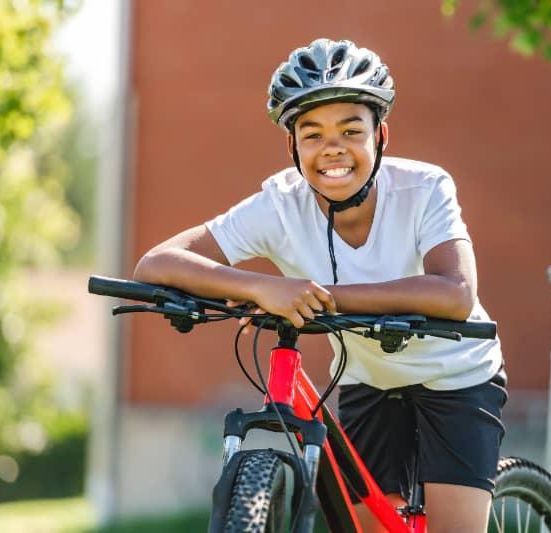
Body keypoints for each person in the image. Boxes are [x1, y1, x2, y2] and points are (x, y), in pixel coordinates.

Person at [133, 38, 505, 533]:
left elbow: (455, 293)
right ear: (292, 147)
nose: (332, 147)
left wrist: (313, 295)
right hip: (367, 378)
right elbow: (156, 263)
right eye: (311, 135)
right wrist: (261, 288)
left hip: (457, 376)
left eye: (351, 129)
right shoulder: (280, 204)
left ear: (381, 136)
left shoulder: (425, 188)